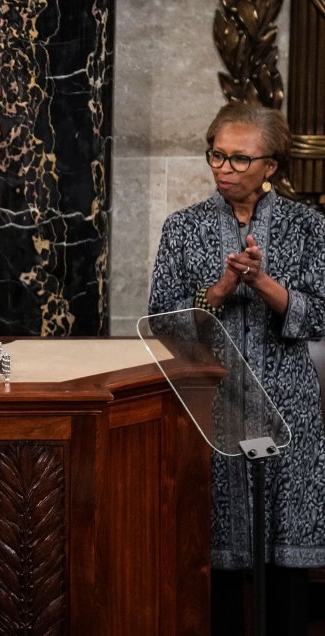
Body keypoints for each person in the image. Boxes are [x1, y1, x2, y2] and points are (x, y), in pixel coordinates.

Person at [148, 102, 325, 635]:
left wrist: (265, 285)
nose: (223, 168)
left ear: (271, 166)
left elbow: (320, 314)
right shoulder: (184, 227)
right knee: (218, 558)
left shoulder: (308, 226)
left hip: (288, 404)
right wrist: (219, 291)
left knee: (286, 560)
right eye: (217, 155)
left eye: (239, 159)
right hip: (214, 410)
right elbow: (162, 319)